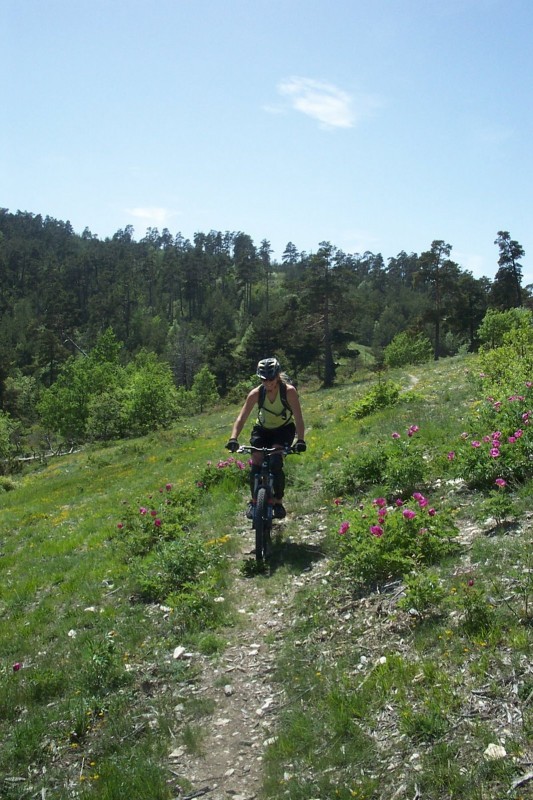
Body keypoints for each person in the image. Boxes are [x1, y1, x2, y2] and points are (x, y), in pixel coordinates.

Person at [226, 357, 306, 519]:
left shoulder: (289, 391)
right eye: (264, 379)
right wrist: (233, 438)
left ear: (277, 376)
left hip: (283, 429)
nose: (268, 382)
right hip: (262, 429)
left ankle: (278, 501)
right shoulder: (256, 394)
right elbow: (241, 418)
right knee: (256, 460)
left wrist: (301, 440)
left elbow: (298, 417)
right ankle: (254, 501)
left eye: (271, 378)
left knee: (276, 461)